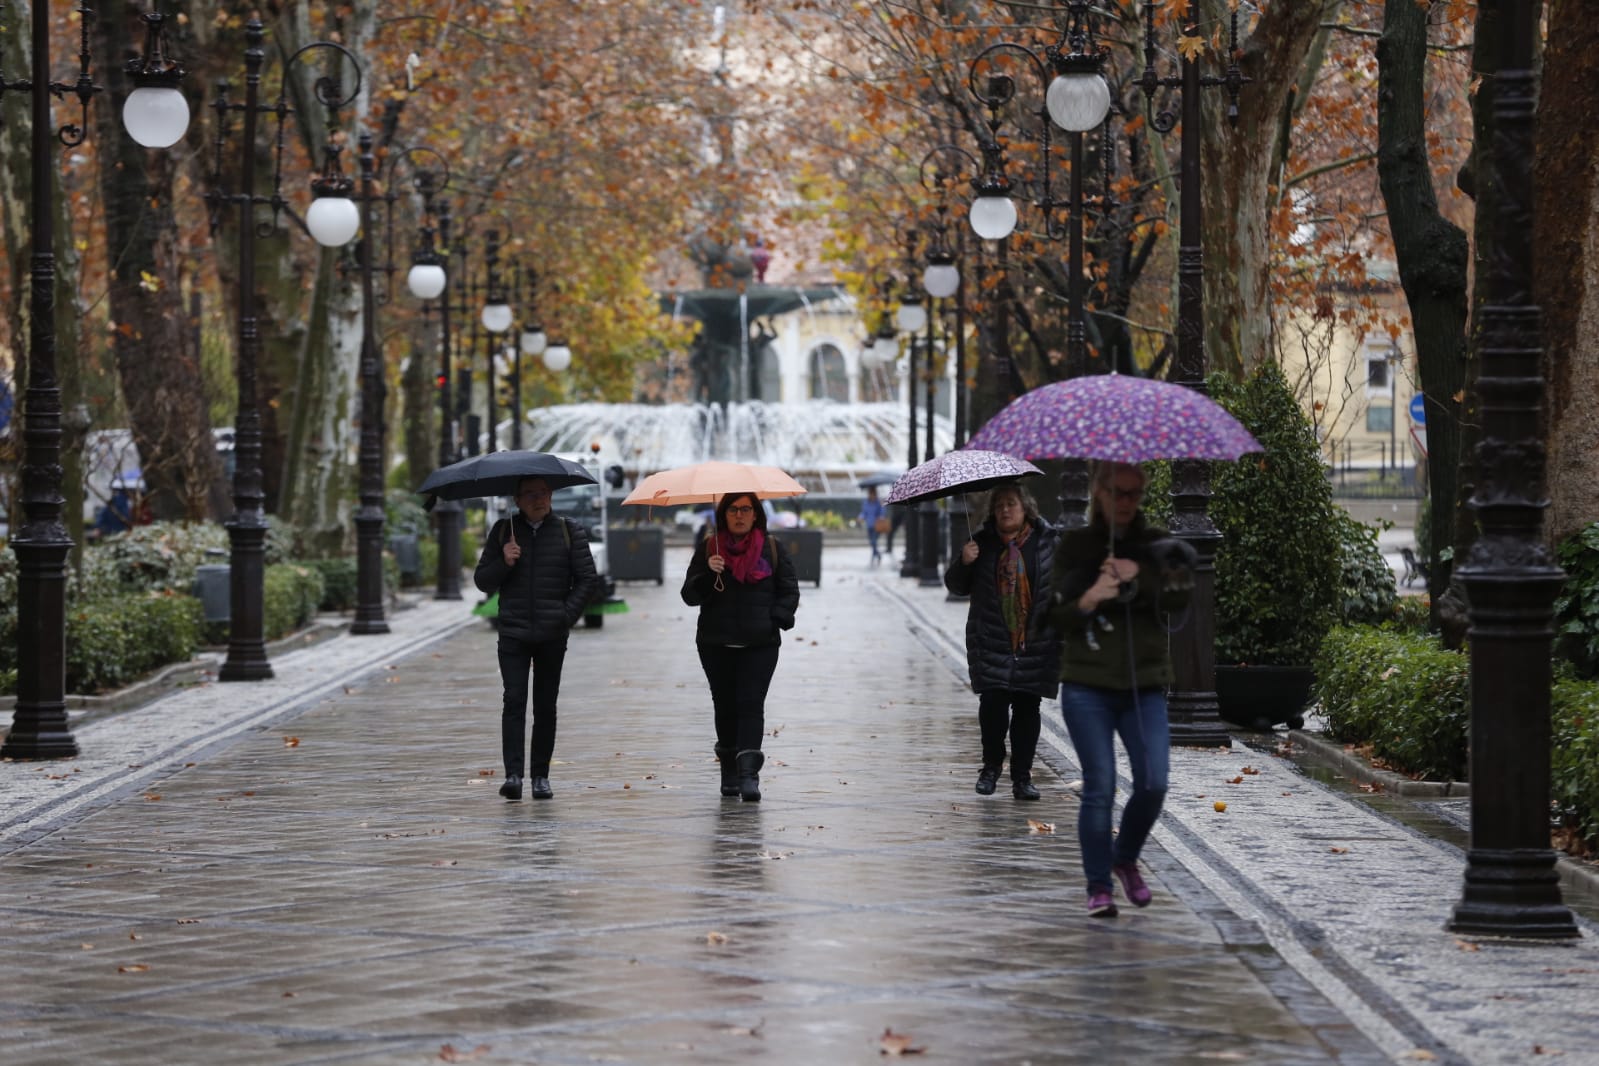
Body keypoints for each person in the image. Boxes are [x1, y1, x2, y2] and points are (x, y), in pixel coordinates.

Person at [1045, 461, 1193, 917]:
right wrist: (1093, 595)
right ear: (1098, 492)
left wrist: (1141, 575)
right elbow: (1055, 617)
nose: (1126, 502)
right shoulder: (1075, 544)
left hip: (1143, 683)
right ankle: (1098, 886)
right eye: (1117, 492)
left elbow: (1177, 600)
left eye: (1133, 493)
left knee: (1153, 782)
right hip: (1087, 684)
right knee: (1100, 786)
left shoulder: (1155, 543)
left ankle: (1125, 858)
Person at [474, 476, 598, 802]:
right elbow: (482, 581)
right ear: (517, 499)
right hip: (513, 633)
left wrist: (564, 616)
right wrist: (505, 561)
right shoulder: (504, 532)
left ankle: (540, 776)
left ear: (551, 495)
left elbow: (587, 579)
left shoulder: (569, 531)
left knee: (545, 706)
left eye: (543, 493)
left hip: (551, 635)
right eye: (530, 494)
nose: (538, 499)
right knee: (514, 701)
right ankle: (513, 776)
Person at [943, 482, 1061, 801]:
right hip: (992, 636)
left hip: (1034, 639)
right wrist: (964, 561)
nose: (1005, 510)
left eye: (1011, 504)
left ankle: (1022, 778)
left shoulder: (1047, 542)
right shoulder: (981, 543)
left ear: (1026, 509)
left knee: (1027, 707)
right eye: (999, 506)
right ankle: (991, 767)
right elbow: (956, 586)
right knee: (993, 705)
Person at [681, 492, 801, 802]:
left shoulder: (772, 549)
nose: (739, 515)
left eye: (746, 509)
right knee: (725, 706)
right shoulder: (710, 548)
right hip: (716, 643)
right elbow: (690, 596)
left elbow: (788, 590)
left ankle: (749, 775)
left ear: (756, 514)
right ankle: (729, 773)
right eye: (733, 509)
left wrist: (776, 618)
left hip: (759, 644)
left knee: (750, 704)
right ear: (724, 514)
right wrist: (709, 572)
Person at [859, 487, 887, 566]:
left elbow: (882, 512)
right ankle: (876, 555)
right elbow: (864, 513)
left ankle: (875, 555)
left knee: (873, 541)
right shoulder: (865, 502)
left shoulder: (878, 503)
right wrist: (860, 517)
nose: (871, 495)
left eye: (873, 494)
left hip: (876, 525)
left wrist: (881, 517)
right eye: (870, 494)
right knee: (872, 543)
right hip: (869, 525)